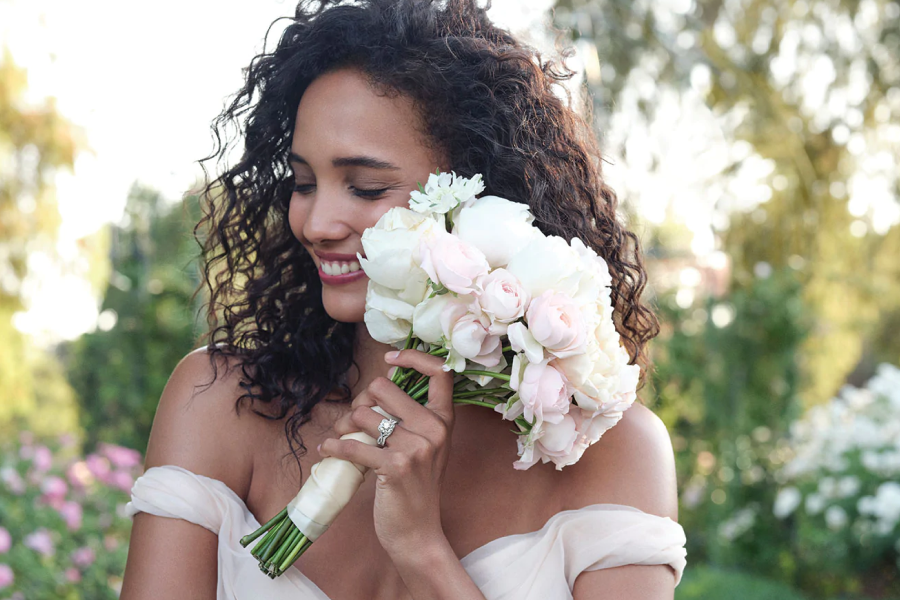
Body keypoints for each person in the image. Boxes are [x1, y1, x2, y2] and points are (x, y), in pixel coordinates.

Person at [120, 0, 686, 598]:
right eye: (304, 183)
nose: (315, 222)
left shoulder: (613, 454)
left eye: (365, 187)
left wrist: (422, 550)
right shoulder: (218, 405)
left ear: (479, 196)